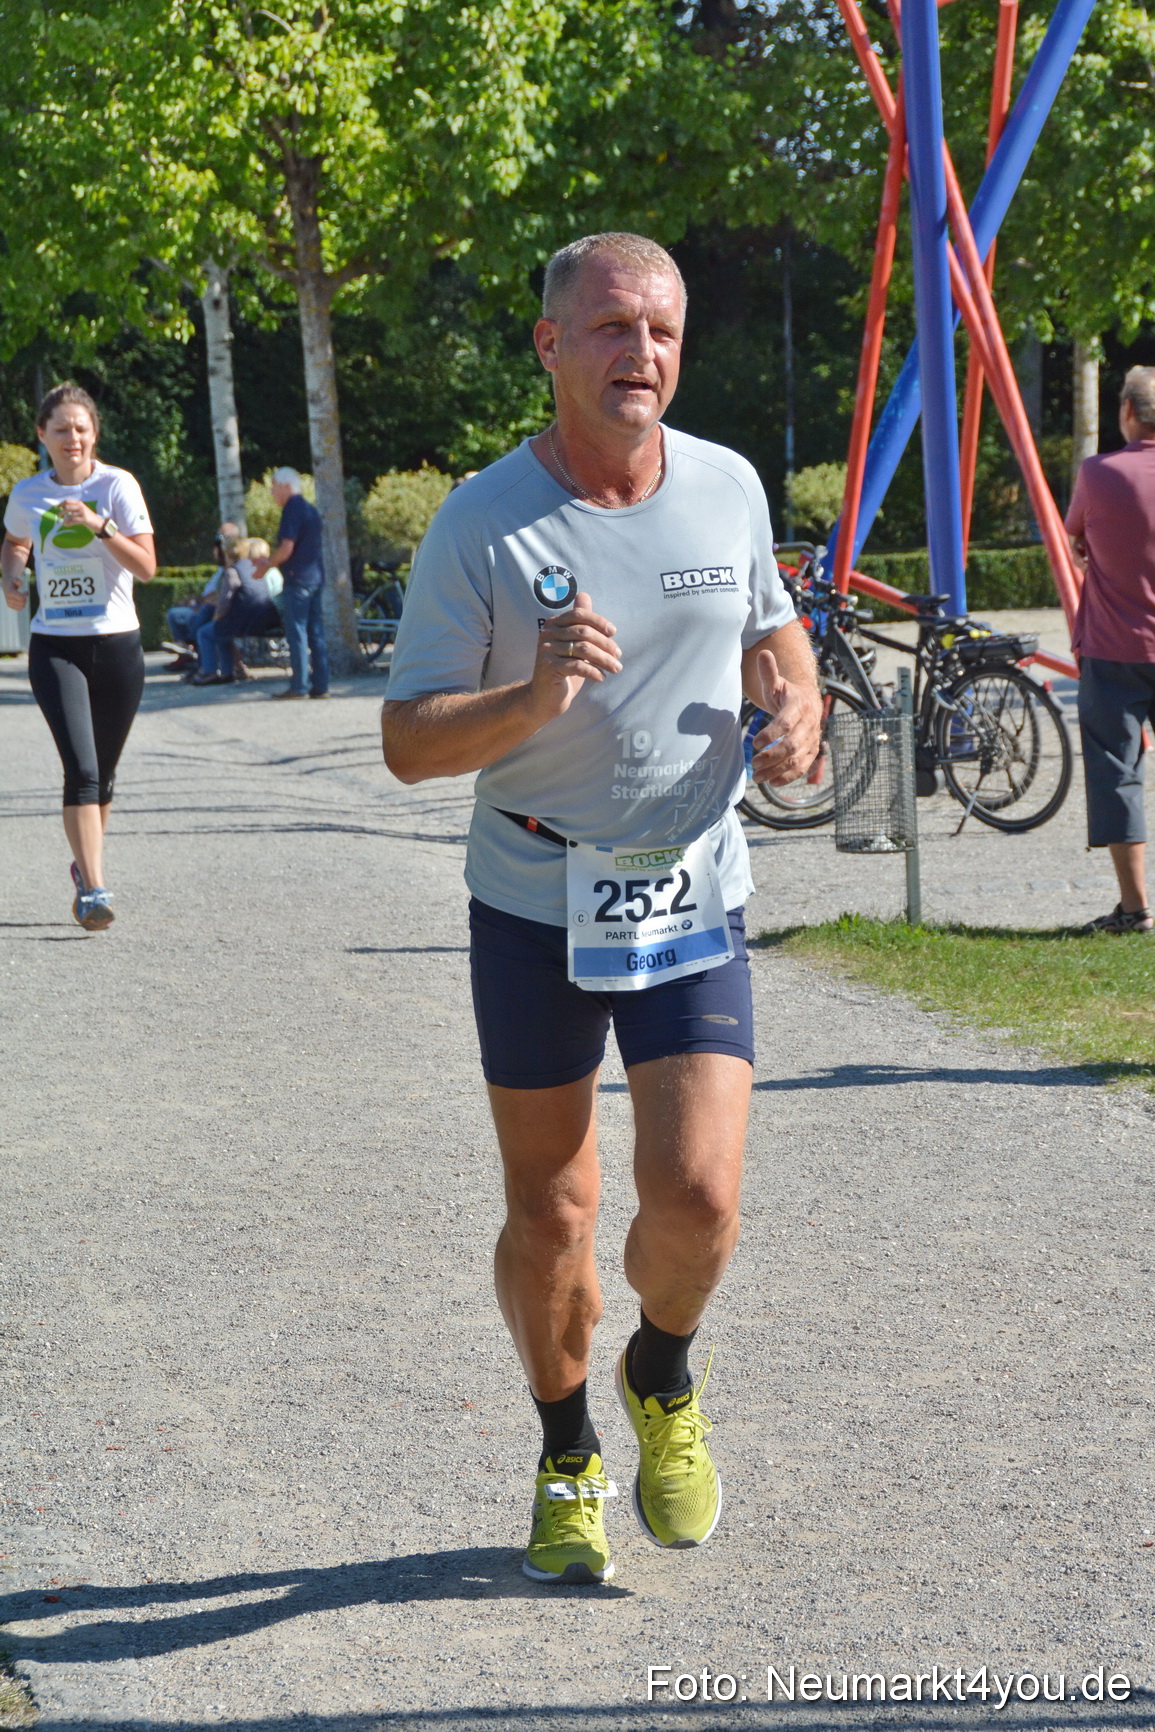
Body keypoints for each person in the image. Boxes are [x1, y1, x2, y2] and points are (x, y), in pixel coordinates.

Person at [381, 232, 821, 1585]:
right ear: (550, 346)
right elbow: (406, 742)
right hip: (530, 894)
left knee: (694, 1198)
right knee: (554, 1214)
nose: (643, 356)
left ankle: (660, 1374)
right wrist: (530, 701)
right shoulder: (481, 522)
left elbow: (772, 629)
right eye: (615, 329)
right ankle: (566, 1449)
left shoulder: (726, 486)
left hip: (691, 879)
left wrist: (794, 705)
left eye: (663, 334)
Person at [1, 383, 156, 931]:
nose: (73, 438)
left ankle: (82, 864)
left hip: (117, 645)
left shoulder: (118, 486)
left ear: (95, 434)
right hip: (55, 647)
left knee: (104, 777)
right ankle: (94, 888)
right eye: (61, 429)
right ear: (42, 435)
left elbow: (146, 567)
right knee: (82, 771)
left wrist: (99, 525)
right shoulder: (27, 493)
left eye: (82, 428)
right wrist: (12, 574)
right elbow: (16, 541)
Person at [1067, 364, 1155, 934]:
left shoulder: (1098, 474)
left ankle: (1135, 908)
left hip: (1113, 646)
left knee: (1116, 771)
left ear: (1126, 410)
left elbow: (1078, 538)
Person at [251, 468, 329, 699]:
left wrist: (266, 565)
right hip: (315, 578)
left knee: (297, 634)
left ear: (286, 486)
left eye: (274, 486)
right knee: (316, 633)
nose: (272, 492)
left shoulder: (292, 509)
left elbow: (286, 549)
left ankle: (299, 686)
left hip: (297, 579)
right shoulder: (310, 509)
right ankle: (321, 685)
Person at [191, 537, 281, 687]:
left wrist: (217, 617)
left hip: (243, 620)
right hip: (265, 617)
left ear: (228, 554)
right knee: (222, 634)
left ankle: (210, 672)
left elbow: (225, 601)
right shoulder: (254, 567)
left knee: (204, 633)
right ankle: (227, 673)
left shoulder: (232, 571)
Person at [164, 522, 238, 671]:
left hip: (220, 610)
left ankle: (191, 650)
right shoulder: (222, 569)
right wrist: (197, 601)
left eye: (223, 538)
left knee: (203, 618)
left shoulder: (233, 569)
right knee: (175, 613)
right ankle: (186, 653)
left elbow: (224, 595)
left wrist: (203, 604)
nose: (219, 545)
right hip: (208, 605)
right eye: (218, 539)